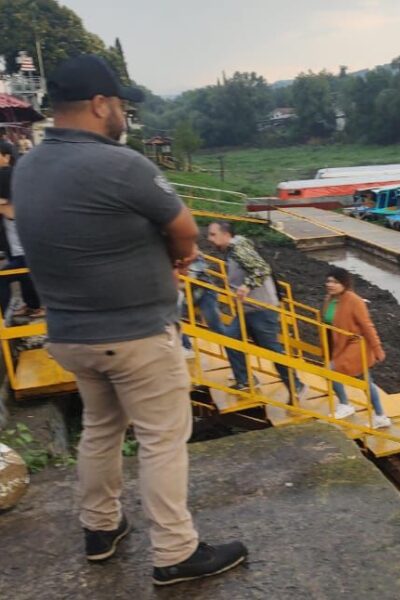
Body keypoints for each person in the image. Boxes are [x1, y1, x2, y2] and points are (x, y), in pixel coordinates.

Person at [12, 55, 246, 586]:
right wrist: (179, 256)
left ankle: (100, 530)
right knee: (163, 438)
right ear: (99, 105)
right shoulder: (121, 164)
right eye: (120, 105)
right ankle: (176, 552)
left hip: (71, 335)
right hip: (135, 334)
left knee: (100, 429)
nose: (123, 115)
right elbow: (183, 225)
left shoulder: (27, 166)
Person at [207, 221, 308, 400]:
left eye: (213, 235)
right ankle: (245, 380)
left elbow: (261, 269)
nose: (210, 239)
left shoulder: (238, 249)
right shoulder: (234, 249)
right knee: (231, 339)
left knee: (270, 349)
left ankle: (296, 385)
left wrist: (246, 286)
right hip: (248, 309)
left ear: (226, 234)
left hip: (261, 308)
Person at [322, 267, 390, 428]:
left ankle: (365, 411)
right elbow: (327, 323)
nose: (330, 285)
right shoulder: (330, 299)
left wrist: (377, 349)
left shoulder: (354, 300)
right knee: (365, 380)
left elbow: (367, 326)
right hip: (340, 344)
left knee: (333, 371)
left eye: (335, 282)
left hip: (356, 344)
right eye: (328, 281)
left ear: (344, 284)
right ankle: (376, 414)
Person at [0, 141, 42, 318]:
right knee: (25, 278)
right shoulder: (15, 174)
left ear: (6, 157)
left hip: (24, 245)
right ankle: (33, 306)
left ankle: (5, 321)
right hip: (18, 246)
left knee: (5, 277)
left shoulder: (7, 174)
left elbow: (12, 212)